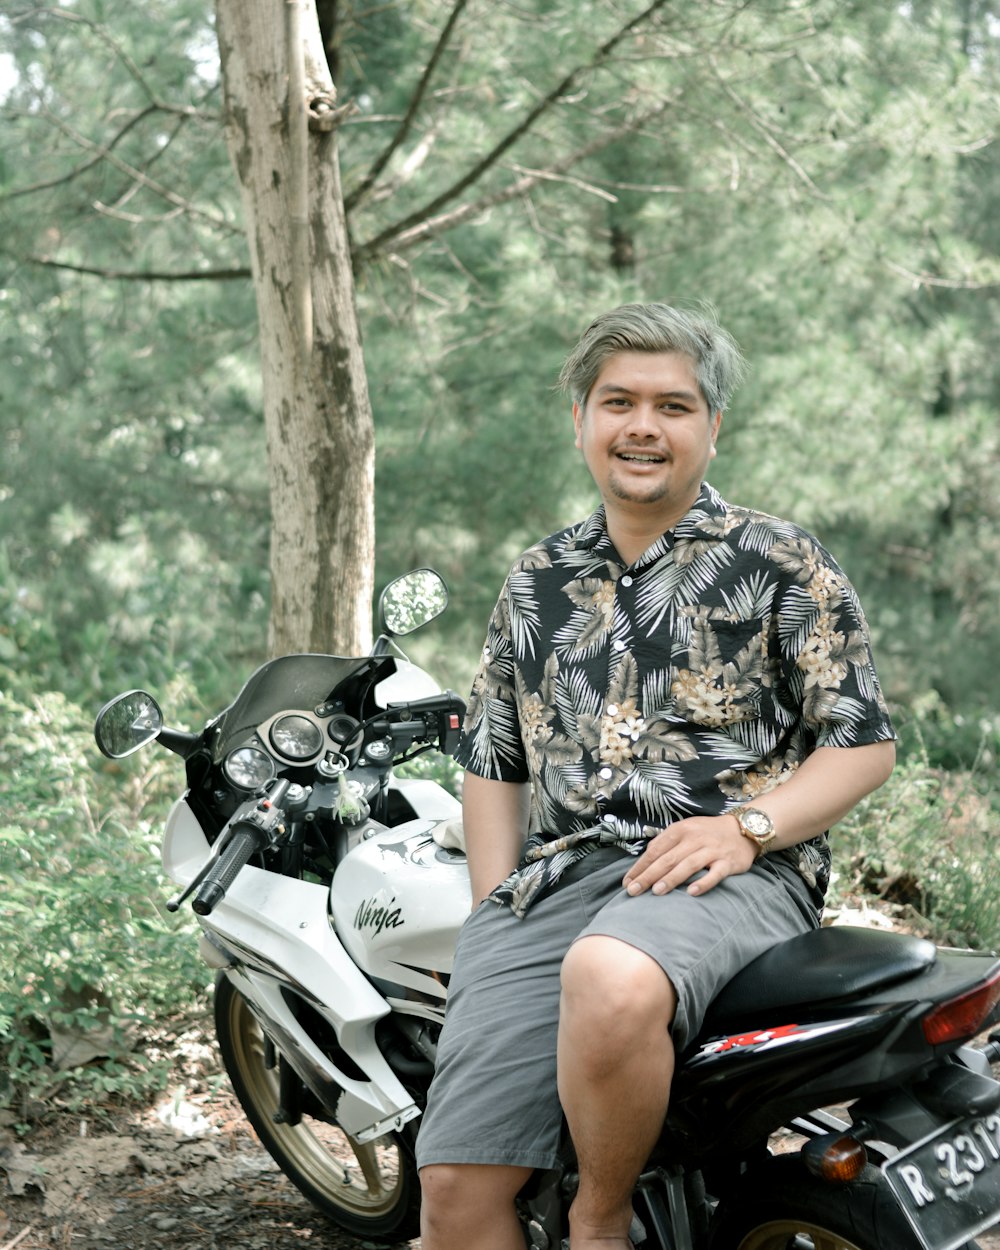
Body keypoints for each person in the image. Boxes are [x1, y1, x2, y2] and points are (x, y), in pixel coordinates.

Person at [415, 302, 896, 1250]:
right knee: (457, 1204)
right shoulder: (538, 577)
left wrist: (747, 828)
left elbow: (862, 744)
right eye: (618, 402)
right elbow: (492, 763)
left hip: (730, 871)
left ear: (712, 427)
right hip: (559, 880)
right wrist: (492, 908)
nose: (643, 426)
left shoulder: (780, 561)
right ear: (583, 423)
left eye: (673, 406)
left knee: (610, 974)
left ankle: (600, 1225)